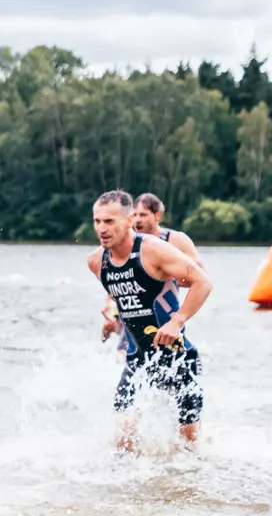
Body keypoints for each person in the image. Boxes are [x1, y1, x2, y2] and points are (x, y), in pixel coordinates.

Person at [88, 190, 212, 453]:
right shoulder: (96, 261)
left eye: (109, 221)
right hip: (137, 358)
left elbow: (203, 281)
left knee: (189, 444)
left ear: (130, 219)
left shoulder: (155, 249)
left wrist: (177, 321)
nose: (101, 228)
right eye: (97, 221)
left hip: (178, 356)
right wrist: (112, 313)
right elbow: (123, 291)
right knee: (122, 435)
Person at [101, 193, 203, 345]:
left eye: (143, 215)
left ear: (157, 215)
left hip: (163, 307)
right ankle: (115, 328)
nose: (137, 220)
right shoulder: (128, 243)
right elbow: (117, 276)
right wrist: (109, 303)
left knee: (165, 349)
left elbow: (202, 276)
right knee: (125, 354)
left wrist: (163, 276)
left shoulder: (176, 240)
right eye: (134, 215)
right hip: (132, 308)